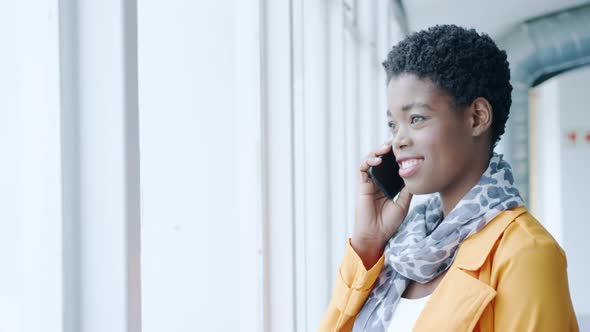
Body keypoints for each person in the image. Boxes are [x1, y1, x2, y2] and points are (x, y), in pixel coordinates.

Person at [319, 25, 579, 332]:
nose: (399, 140)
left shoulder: (526, 254)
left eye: (416, 119)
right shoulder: (403, 251)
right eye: (393, 125)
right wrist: (367, 243)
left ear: (477, 118)